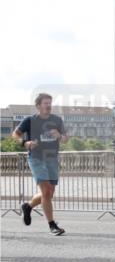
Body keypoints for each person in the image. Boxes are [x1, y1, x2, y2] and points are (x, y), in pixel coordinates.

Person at [12, 93, 69, 235]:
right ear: (38, 106)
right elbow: (15, 134)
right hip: (36, 158)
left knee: (49, 193)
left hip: (52, 159)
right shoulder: (30, 120)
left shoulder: (57, 120)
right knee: (46, 191)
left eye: (50, 103)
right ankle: (52, 225)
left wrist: (60, 136)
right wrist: (25, 142)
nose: (49, 106)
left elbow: (66, 138)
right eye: (46, 103)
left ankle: (28, 206)